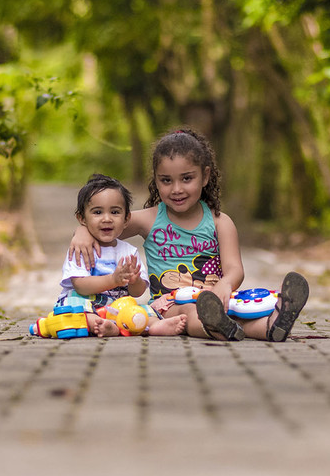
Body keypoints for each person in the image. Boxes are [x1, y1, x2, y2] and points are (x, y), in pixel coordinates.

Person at [68, 129, 309, 342]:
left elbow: (235, 268)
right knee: (192, 313)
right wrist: (82, 232)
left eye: (187, 178)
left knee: (241, 311)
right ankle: (217, 325)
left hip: (217, 297)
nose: (176, 189)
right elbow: (107, 226)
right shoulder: (149, 219)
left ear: (204, 176)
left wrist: (225, 284)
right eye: (166, 180)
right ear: (156, 181)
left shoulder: (220, 222)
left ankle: (272, 325)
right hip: (170, 306)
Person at [57, 173, 188, 337]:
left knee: (143, 310)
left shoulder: (129, 251)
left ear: (126, 219)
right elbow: (80, 285)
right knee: (74, 307)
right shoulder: (81, 249)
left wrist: (135, 281)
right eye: (97, 212)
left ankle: (156, 327)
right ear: (82, 218)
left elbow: (137, 292)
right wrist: (113, 280)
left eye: (115, 212)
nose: (107, 219)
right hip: (87, 301)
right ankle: (106, 326)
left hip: (118, 306)